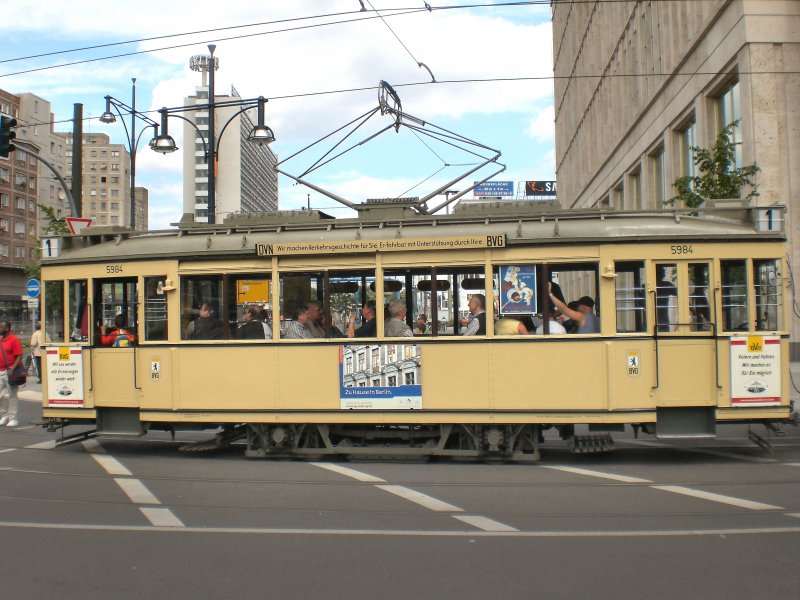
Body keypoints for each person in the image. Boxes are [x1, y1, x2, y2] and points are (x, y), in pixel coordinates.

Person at [0, 320, 23, 427]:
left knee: (12, 395)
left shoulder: (14, 340)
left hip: (10, 372)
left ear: (7, 328)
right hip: (0, 371)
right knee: (1, 396)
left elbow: (19, 355)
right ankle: (4, 414)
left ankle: (13, 418)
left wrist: (12, 369)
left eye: (1, 327)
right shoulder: (0, 339)